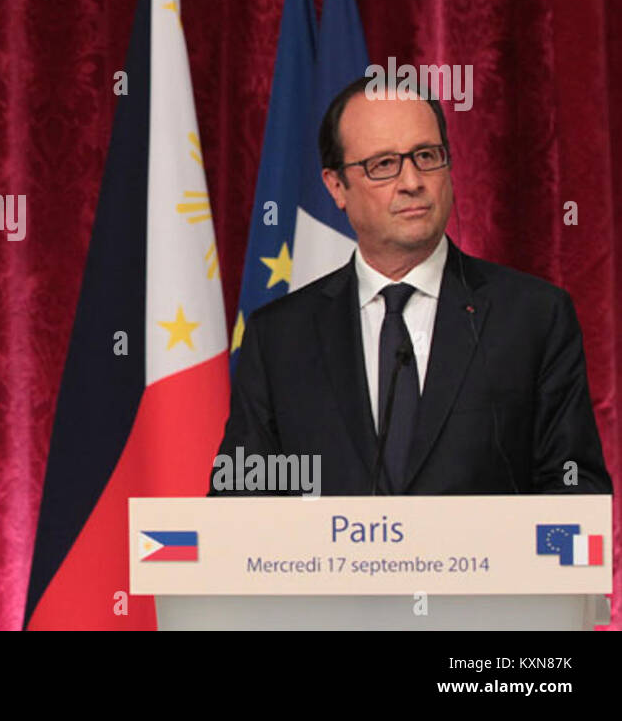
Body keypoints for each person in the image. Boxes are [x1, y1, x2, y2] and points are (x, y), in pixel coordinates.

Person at [214, 75, 612, 495]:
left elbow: (575, 492)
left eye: (426, 156)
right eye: (383, 164)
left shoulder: (534, 317)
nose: (412, 182)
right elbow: (240, 502)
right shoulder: (279, 336)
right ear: (336, 186)